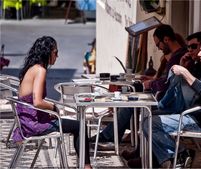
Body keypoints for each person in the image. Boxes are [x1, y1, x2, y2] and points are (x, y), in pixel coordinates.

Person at [140, 36, 201, 168]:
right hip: (188, 112)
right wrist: (184, 67)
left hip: (199, 121)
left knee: (150, 123)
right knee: (148, 118)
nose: (199, 54)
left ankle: (180, 153)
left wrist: (183, 71)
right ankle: (172, 157)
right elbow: (191, 83)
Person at [90, 24, 187, 144]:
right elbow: (169, 81)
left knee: (130, 103)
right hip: (167, 99)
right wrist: (152, 80)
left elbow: (168, 84)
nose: (158, 48)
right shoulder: (178, 55)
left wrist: (150, 84)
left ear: (166, 39)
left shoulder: (177, 58)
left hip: (168, 102)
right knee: (131, 100)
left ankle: (112, 136)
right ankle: (116, 136)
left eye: (158, 44)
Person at [12, 36, 91, 169]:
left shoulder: (32, 68)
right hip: (34, 125)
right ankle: (87, 166)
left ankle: (85, 165)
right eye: (55, 52)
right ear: (47, 52)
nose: (57, 56)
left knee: (75, 125)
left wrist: (50, 112)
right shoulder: (40, 70)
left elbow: (34, 102)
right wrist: (54, 108)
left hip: (27, 122)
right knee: (80, 126)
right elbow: (37, 102)